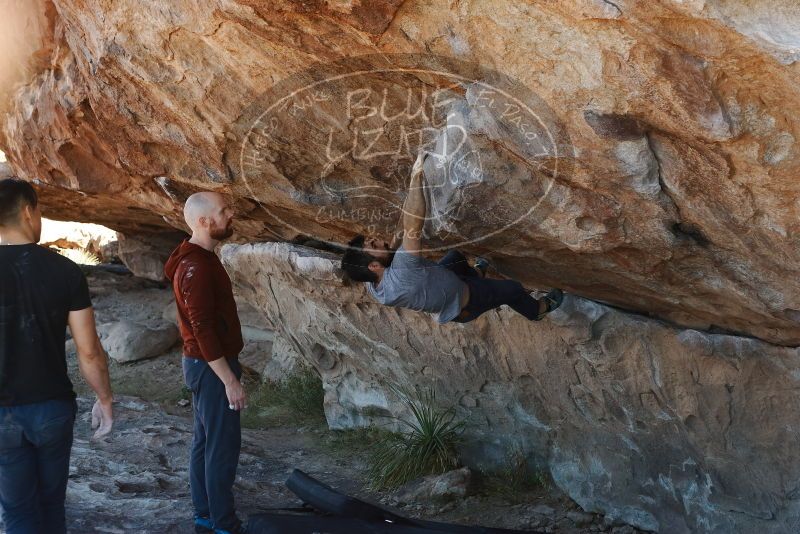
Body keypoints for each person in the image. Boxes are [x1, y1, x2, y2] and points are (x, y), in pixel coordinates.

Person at [0, 178, 113, 534]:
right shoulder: (65, 271)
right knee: (52, 505)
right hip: (51, 406)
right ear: (28, 211)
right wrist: (105, 398)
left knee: (17, 512)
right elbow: (89, 350)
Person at [341, 153, 563, 324]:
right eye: (373, 245)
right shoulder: (401, 273)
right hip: (467, 301)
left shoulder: (373, 279)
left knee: (455, 256)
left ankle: (475, 273)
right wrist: (416, 176)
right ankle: (537, 310)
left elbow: (402, 230)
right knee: (513, 289)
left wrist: (413, 185)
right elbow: (413, 224)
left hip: (445, 281)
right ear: (373, 265)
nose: (378, 240)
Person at [164, 192, 247, 534]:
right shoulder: (195, 266)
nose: (230, 214)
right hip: (212, 367)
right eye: (223, 211)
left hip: (202, 365)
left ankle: (205, 517)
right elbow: (202, 329)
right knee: (221, 446)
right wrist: (229, 379)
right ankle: (224, 525)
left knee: (205, 442)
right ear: (203, 221)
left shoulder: (198, 259)